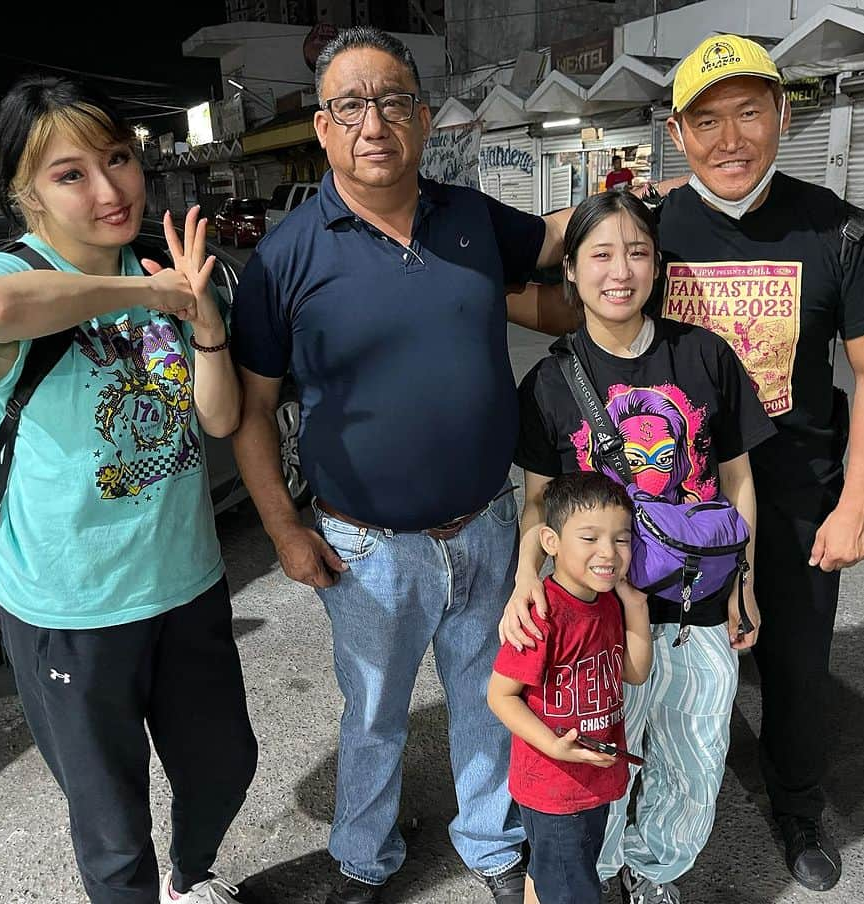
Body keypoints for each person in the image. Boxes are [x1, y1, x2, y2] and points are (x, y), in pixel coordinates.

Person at [229, 24, 576, 904]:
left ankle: (494, 847)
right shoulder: (285, 259)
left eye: (391, 102)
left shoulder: (470, 219)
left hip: (492, 526)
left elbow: (555, 243)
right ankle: (363, 856)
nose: (372, 122)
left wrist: (658, 209)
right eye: (350, 105)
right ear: (322, 127)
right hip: (368, 546)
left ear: (423, 119)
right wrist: (284, 530)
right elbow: (254, 412)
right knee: (375, 716)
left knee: (488, 700)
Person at [0, 76, 260, 904]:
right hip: (67, 608)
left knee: (226, 763)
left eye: (117, 158)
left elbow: (220, 421)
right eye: (70, 173)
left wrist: (202, 321)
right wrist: (145, 293)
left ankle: (192, 879)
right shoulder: (10, 272)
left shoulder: (174, 270)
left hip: (184, 584)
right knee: (112, 828)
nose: (110, 187)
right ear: (25, 193)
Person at [656, 34, 864, 892]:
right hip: (676, 496)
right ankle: (662, 790)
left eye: (750, 113)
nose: (731, 139)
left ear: (782, 115)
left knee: (798, 661)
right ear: (678, 133)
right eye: (708, 120)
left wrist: (858, 504)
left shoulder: (837, 229)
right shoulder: (650, 230)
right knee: (667, 654)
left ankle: (796, 802)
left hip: (799, 493)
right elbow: (564, 284)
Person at [500, 190, 776, 904]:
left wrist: (743, 583)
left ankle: (655, 873)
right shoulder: (549, 385)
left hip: (695, 611)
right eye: (600, 253)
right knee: (599, 759)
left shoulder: (705, 357)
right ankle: (597, 868)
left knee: (693, 759)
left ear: (657, 264)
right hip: (592, 622)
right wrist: (526, 576)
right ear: (571, 271)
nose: (619, 270)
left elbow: (738, 482)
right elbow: (537, 502)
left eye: (636, 251)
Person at [488, 472, 653, 904]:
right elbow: (500, 695)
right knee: (572, 889)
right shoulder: (541, 614)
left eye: (621, 539)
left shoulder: (608, 604)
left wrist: (636, 608)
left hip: (593, 782)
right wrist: (553, 745)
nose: (609, 552)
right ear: (550, 541)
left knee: (556, 875)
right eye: (589, 537)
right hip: (554, 788)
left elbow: (633, 672)